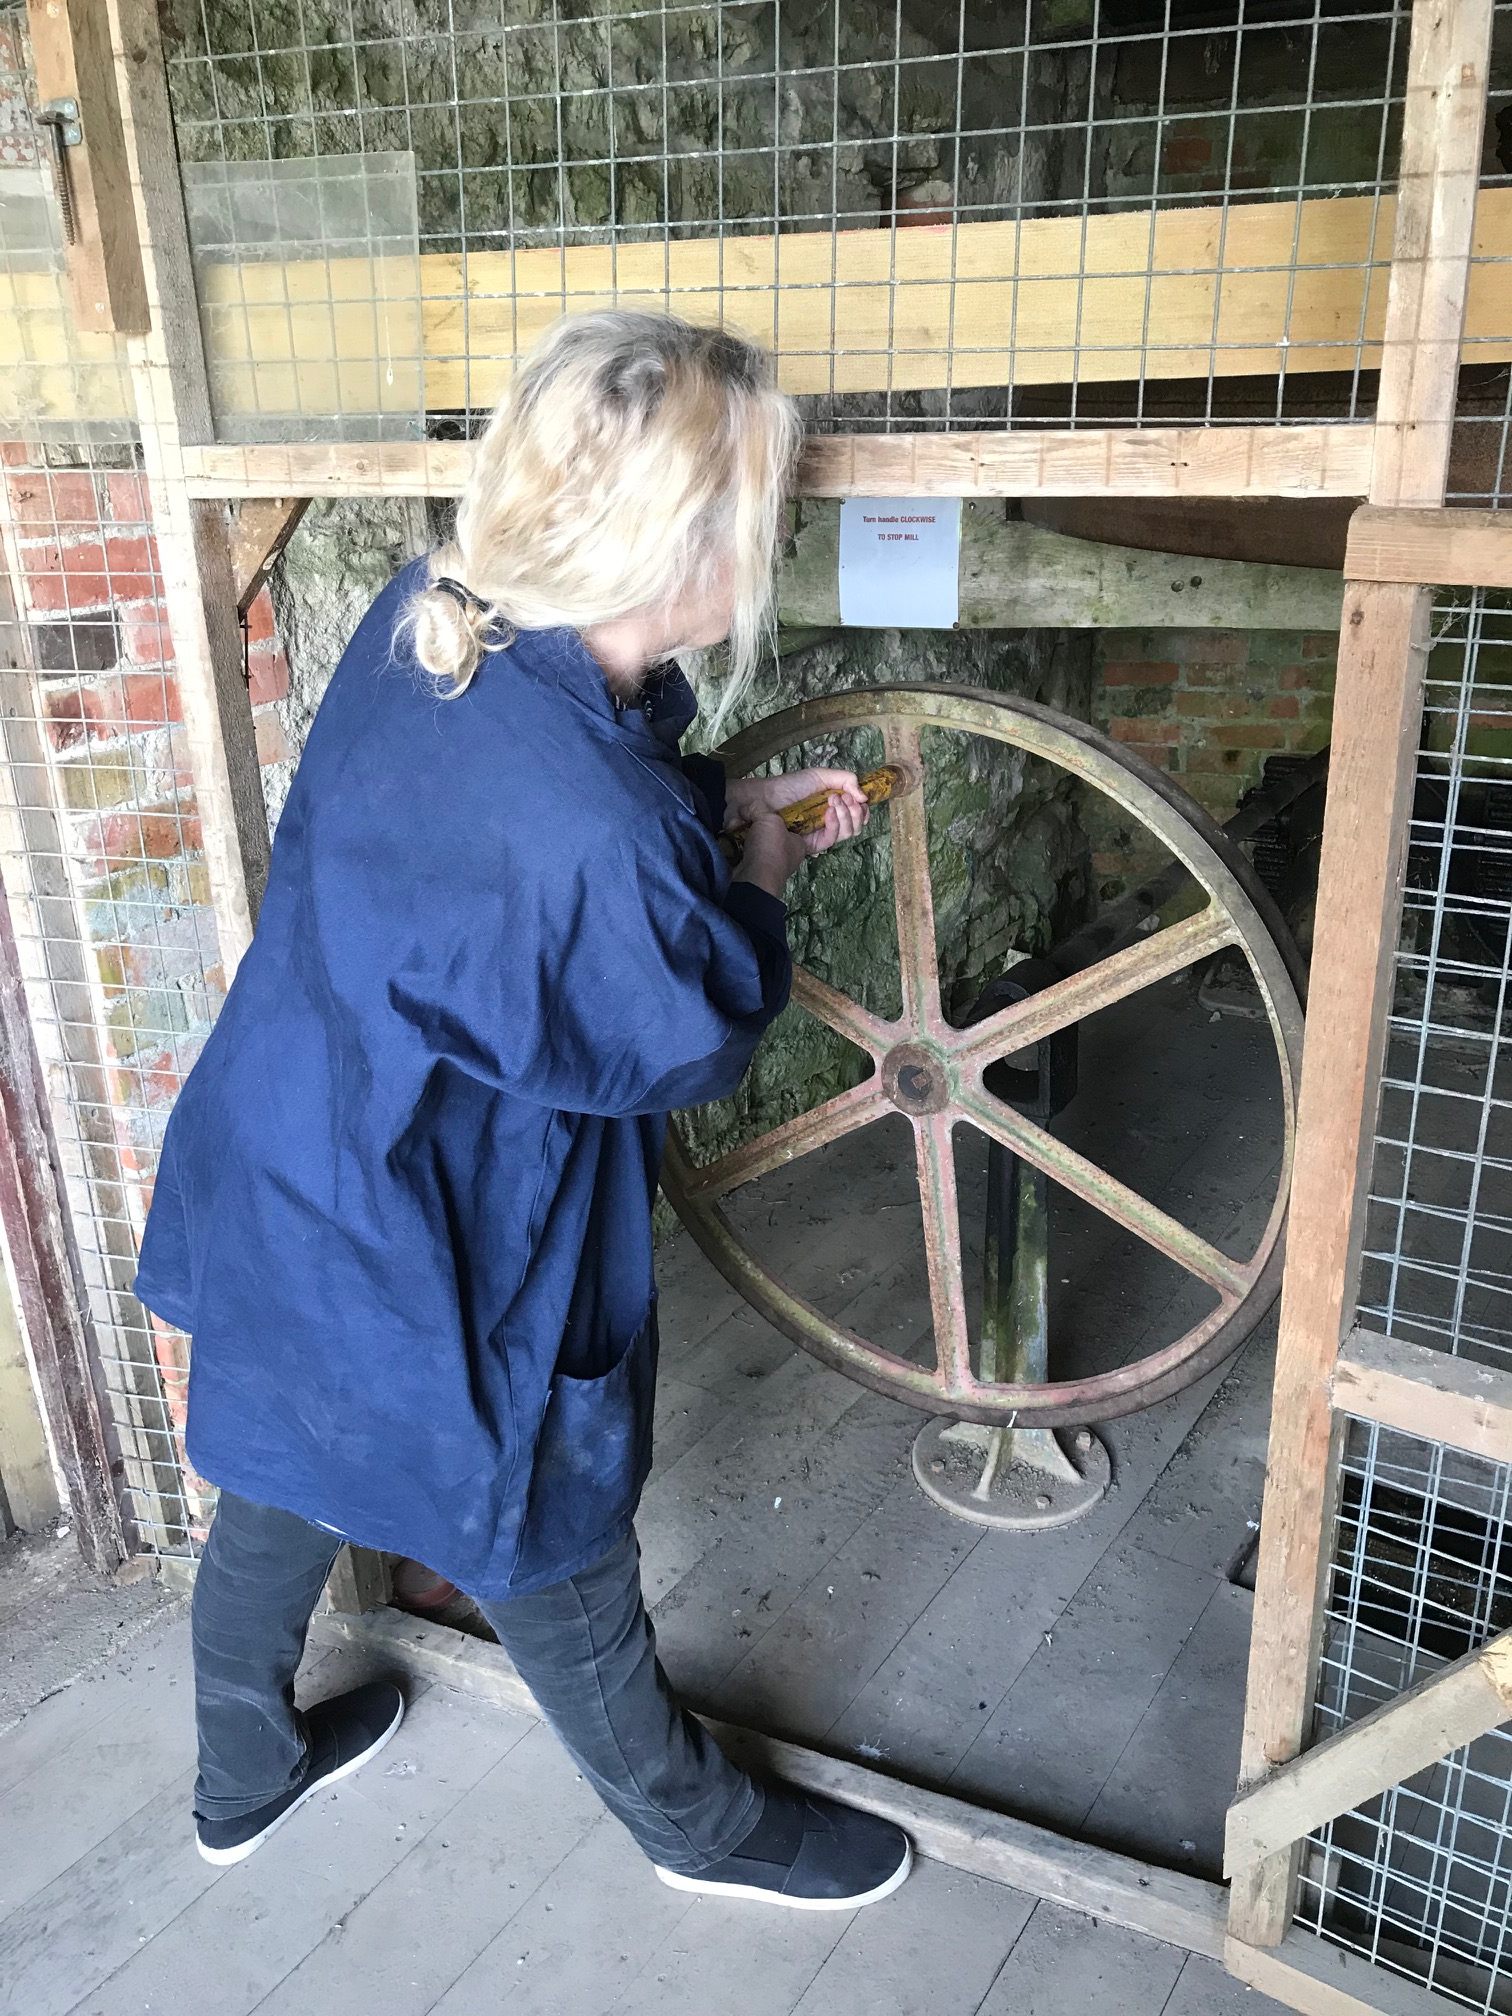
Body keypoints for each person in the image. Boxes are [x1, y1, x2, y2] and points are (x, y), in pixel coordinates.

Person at [134, 310, 913, 1911]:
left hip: (294, 1139)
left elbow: (519, 834)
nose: (761, 547)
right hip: (447, 1217)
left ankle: (238, 1778)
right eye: (753, 517)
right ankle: (701, 1836)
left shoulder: (427, 620)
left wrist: (708, 807)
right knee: (542, 1525)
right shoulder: (601, 825)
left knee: (278, 1464)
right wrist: (758, 875)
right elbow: (678, 1027)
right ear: (677, 543)